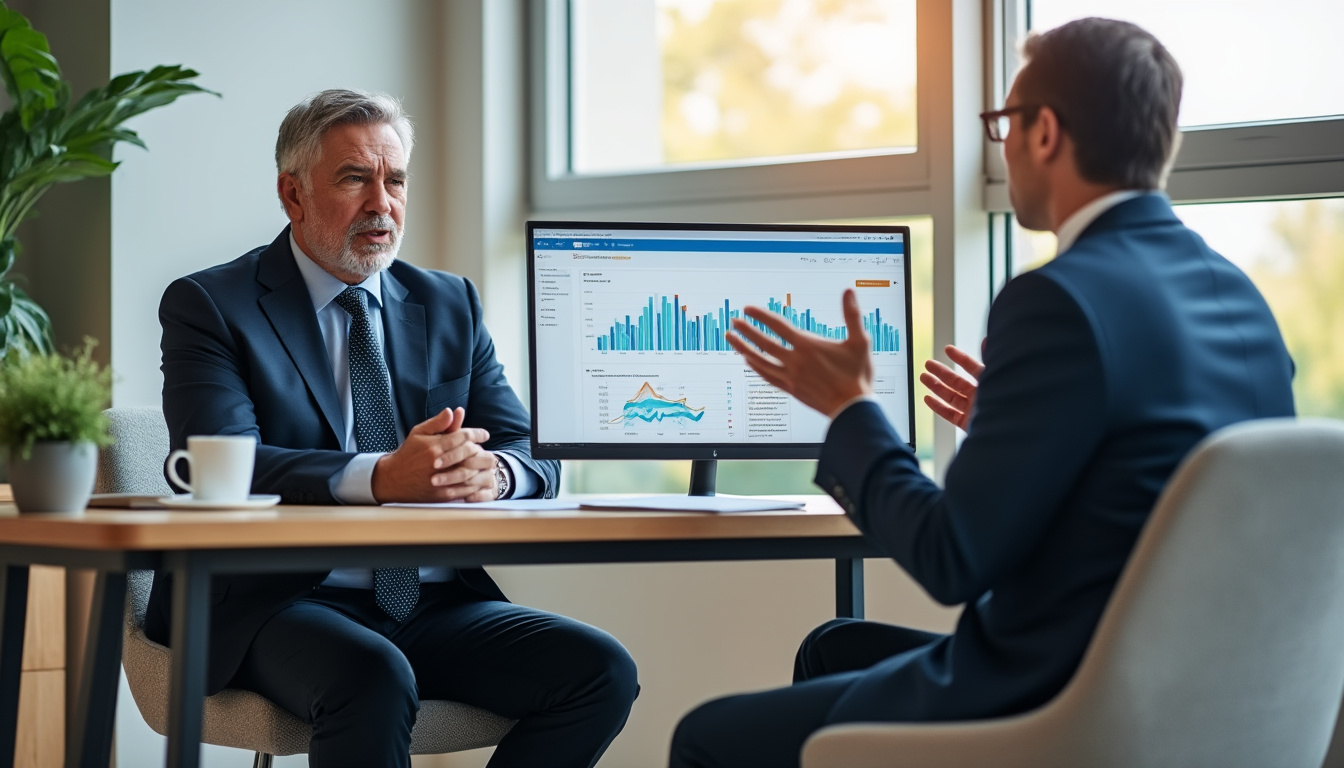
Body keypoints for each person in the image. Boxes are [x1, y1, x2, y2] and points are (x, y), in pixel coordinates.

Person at [670, 17, 1295, 768]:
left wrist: (850, 410)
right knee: (839, 648)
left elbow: (950, 560)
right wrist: (1022, 430)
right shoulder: (1241, 298)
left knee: (706, 739)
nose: (997, 145)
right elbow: (1148, 486)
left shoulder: (1060, 300)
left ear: (1044, 133)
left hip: (1066, 699)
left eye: (1002, 122)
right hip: (1212, 700)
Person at [149, 89, 637, 768]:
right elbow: (226, 464)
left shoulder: (448, 302)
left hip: (432, 602)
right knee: (371, 675)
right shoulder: (212, 305)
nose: (382, 203)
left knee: (600, 670)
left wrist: (491, 474)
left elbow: (534, 452)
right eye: (355, 179)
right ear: (293, 194)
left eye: (396, 180)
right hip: (276, 600)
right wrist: (379, 478)